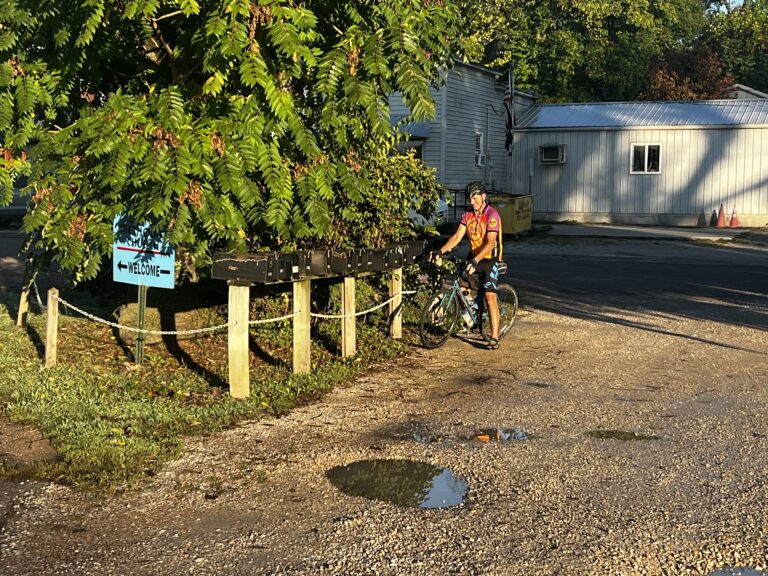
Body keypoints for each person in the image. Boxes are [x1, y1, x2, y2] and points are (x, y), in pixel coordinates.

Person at [431, 181, 503, 350]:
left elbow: (491, 243)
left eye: (475, 198)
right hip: (474, 256)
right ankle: (471, 312)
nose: (472, 202)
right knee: (460, 284)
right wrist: (440, 251)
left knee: (489, 297)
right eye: (470, 199)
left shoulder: (492, 215)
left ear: (484, 197)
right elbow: (457, 237)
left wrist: (476, 260)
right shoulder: (467, 216)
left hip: (489, 259)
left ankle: (494, 337)